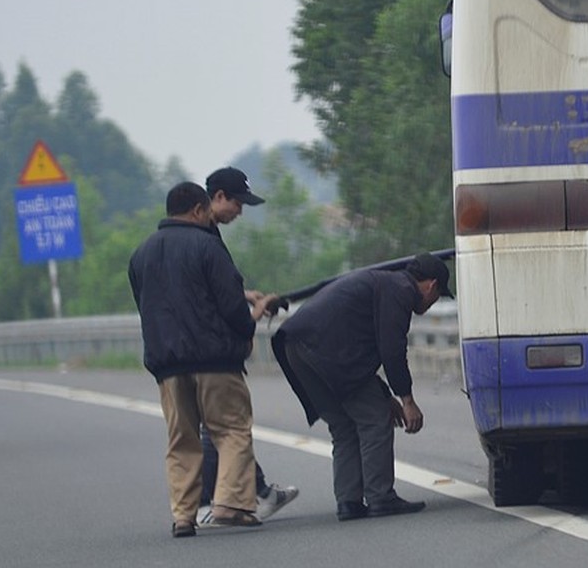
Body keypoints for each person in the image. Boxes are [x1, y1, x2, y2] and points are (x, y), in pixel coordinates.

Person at [128, 181, 277, 537]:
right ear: (198, 210)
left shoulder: (141, 254)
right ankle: (231, 504)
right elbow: (231, 310)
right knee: (231, 430)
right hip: (214, 361)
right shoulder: (208, 247)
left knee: (181, 440)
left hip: (167, 365)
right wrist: (254, 313)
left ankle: (183, 516)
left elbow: (149, 304)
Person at [272, 251, 452, 521]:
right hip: (322, 351)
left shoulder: (384, 284)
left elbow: (356, 354)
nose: (433, 301)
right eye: (437, 295)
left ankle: (349, 501)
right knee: (376, 419)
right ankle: (381, 497)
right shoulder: (400, 291)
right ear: (431, 285)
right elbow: (391, 349)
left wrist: (384, 393)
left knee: (344, 426)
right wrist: (407, 400)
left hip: (295, 346)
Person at [193, 166, 298, 525]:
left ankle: (257, 492)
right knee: (224, 427)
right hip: (212, 349)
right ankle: (213, 502)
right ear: (218, 197)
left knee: (222, 426)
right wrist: (252, 311)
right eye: (237, 203)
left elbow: (209, 289)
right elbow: (210, 297)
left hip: (197, 347)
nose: (239, 211)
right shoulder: (202, 236)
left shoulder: (205, 233)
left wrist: (241, 295)